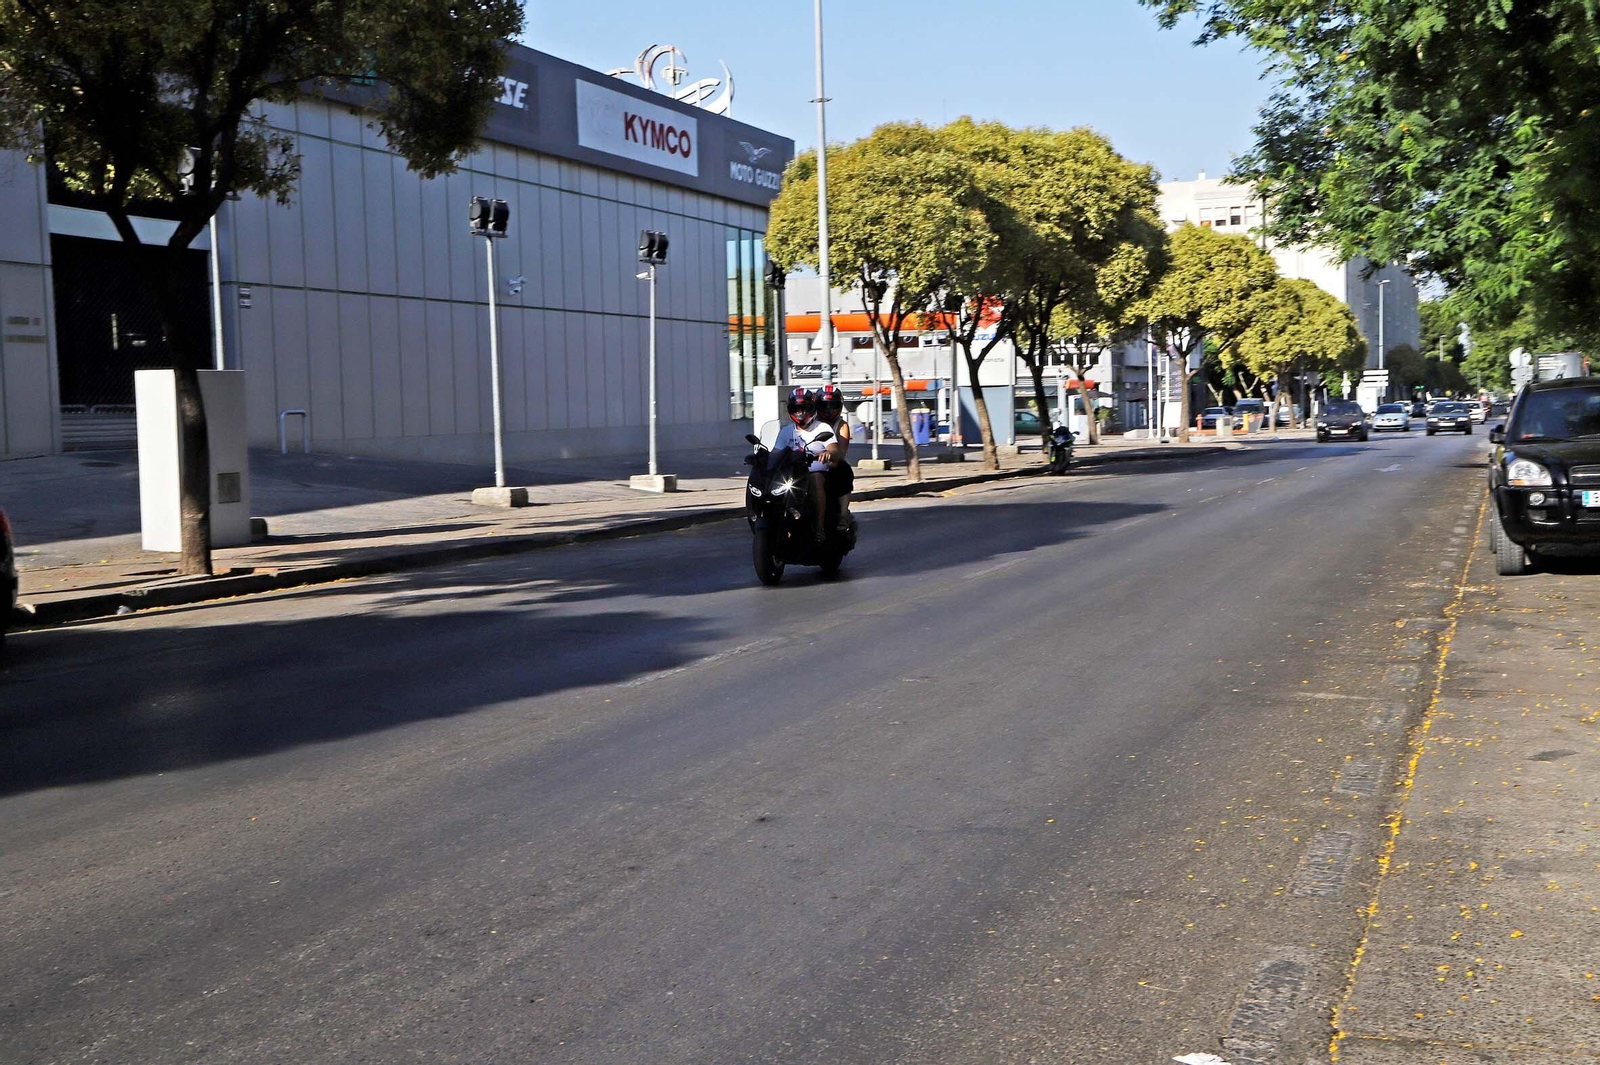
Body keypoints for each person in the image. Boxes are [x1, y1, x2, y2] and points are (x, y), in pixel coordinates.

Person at [771, 387, 832, 542]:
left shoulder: (822, 428)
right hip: (790, 475)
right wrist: (761, 458)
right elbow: (775, 453)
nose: (801, 412)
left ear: (811, 409)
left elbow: (835, 448)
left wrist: (828, 453)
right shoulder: (786, 431)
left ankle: (819, 528)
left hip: (813, 472)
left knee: (816, 479)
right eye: (797, 409)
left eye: (804, 408)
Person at [816, 383, 854, 529]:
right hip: (807, 464)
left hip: (830, 464)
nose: (828, 409)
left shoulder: (842, 425)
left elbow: (841, 453)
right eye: (824, 405)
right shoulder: (810, 421)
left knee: (845, 470)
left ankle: (843, 515)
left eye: (833, 405)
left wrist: (830, 458)